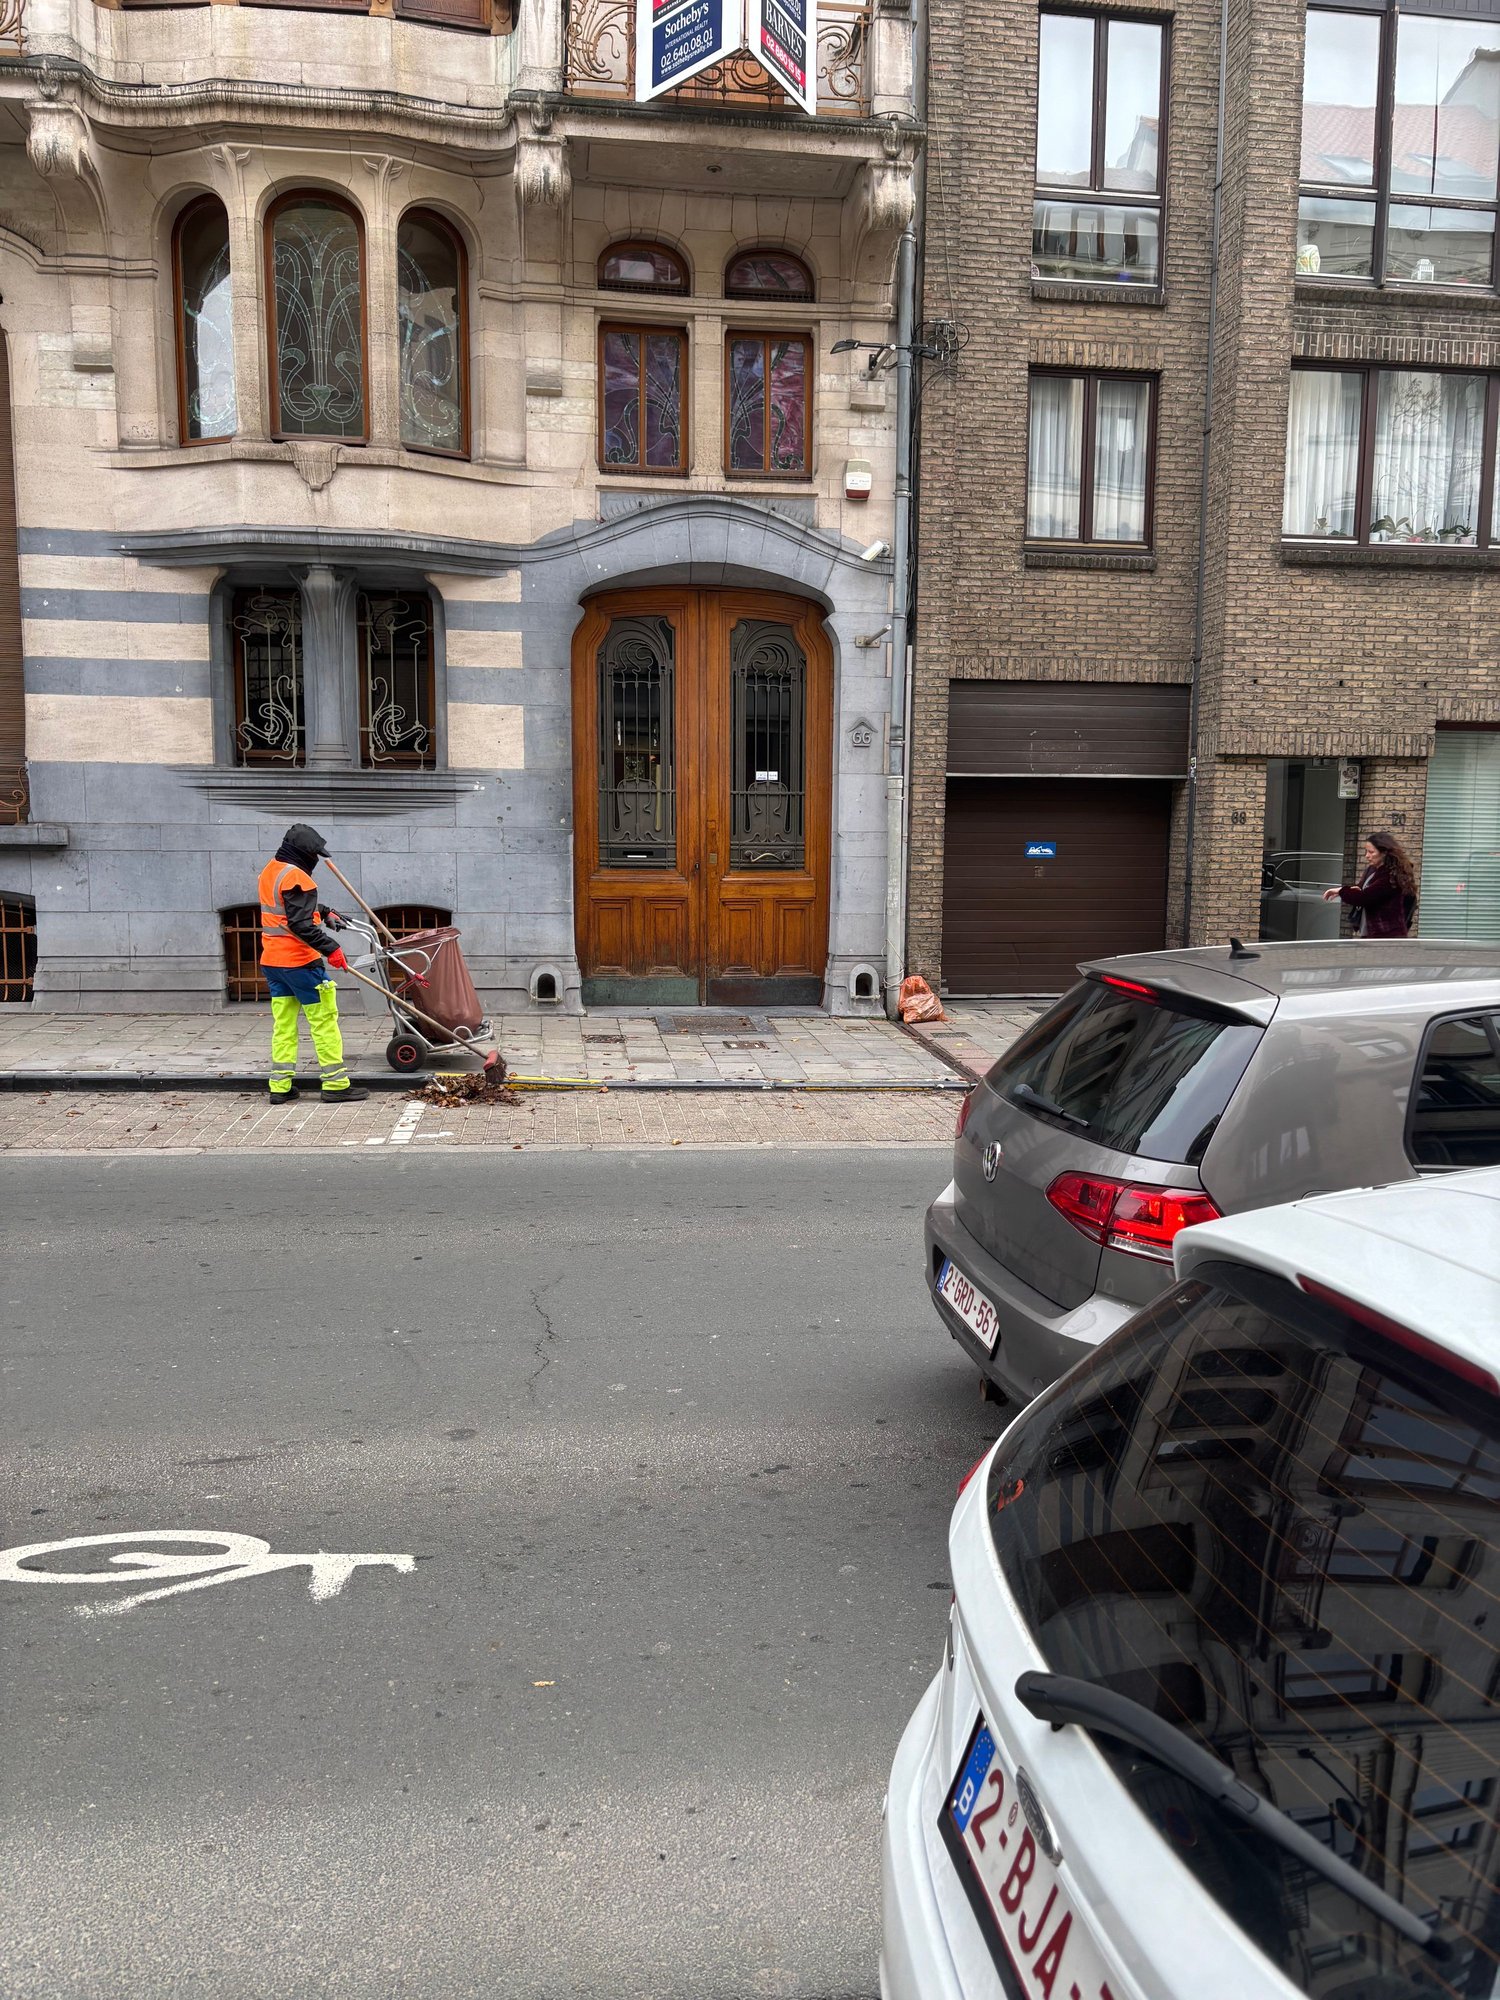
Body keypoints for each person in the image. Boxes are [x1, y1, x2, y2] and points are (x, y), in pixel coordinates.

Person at [257, 823, 369, 1104]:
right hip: (300, 964)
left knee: (283, 1026)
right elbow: (300, 924)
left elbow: (286, 913)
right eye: (315, 856)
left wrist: (323, 911)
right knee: (324, 1023)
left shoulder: (271, 870)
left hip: (273, 963)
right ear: (304, 854)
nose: (317, 861)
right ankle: (335, 1085)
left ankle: (280, 1088)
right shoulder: (298, 878)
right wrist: (331, 948)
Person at [1323, 828, 1417, 939]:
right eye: (1366, 851)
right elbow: (1363, 889)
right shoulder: (1372, 870)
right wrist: (1354, 890)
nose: (1367, 856)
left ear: (1384, 853)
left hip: (1386, 936)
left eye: (1371, 852)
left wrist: (1341, 891)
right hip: (1370, 932)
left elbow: (1365, 897)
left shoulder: (1391, 875)